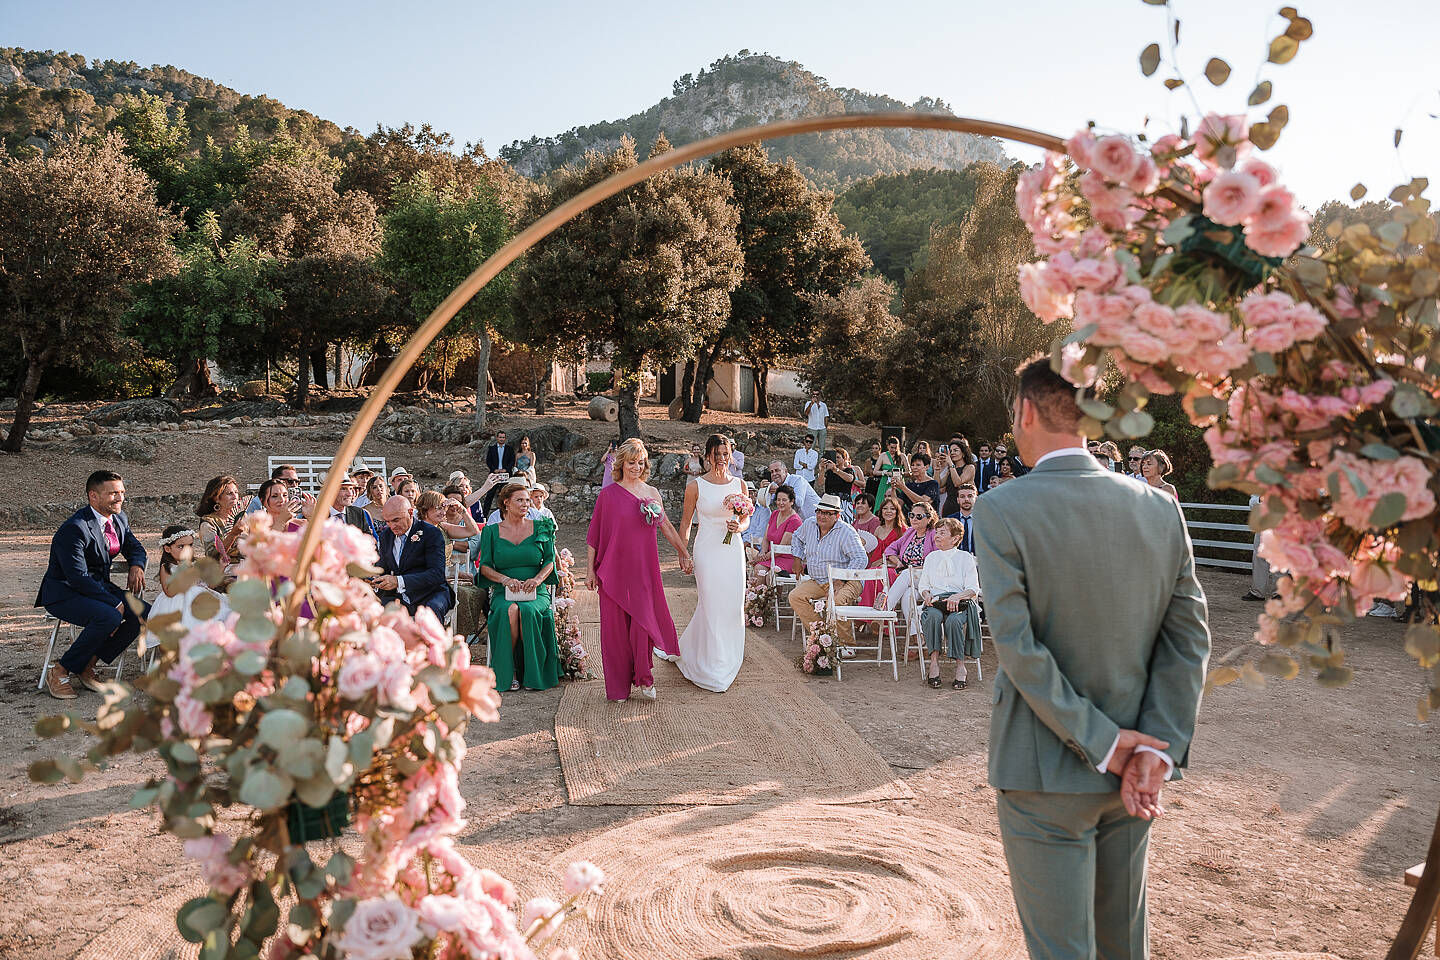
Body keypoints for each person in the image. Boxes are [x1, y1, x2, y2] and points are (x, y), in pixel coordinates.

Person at [972, 356, 1209, 960]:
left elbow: (1019, 650)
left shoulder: (1001, 510)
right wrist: (1154, 747)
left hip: (1043, 771)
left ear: (1024, 411)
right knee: (1123, 945)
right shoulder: (1160, 509)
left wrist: (1105, 742)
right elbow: (1189, 639)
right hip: (1136, 773)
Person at [586, 439, 692, 702]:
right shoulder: (608, 495)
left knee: (642, 625)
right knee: (615, 631)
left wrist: (683, 552)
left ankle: (645, 679)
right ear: (621, 463)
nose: (636, 467)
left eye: (640, 462)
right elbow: (594, 537)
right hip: (612, 571)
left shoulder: (652, 493)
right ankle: (618, 687)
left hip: (644, 571)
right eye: (631, 462)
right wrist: (589, 571)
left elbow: (667, 527)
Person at [35, 470, 149, 700]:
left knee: (143, 612)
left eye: (122, 493)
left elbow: (135, 547)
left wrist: (136, 565)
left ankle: (87, 664)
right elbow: (77, 577)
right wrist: (114, 602)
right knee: (109, 616)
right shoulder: (75, 528)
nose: (120, 498)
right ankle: (60, 670)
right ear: (93, 496)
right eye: (113, 494)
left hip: (97, 587)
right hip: (65, 592)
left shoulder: (119, 518)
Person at [675, 434, 750, 693]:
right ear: (707, 456)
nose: (721, 459)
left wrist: (738, 526)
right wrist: (683, 552)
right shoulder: (696, 486)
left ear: (731, 456)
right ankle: (713, 663)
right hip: (707, 549)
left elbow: (747, 519)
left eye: (725, 454)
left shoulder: (740, 484)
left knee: (732, 603)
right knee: (711, 602)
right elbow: (686, 523)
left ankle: (729, 656)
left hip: (732, 551)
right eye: (716, 454)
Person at [479, 483, 559, 692]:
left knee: (529, 610)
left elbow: (550, 561)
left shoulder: (542, 526)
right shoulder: (490, 531)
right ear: (506, 503)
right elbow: (485, 566)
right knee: (510, 609)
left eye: (527, 500)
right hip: (504, 590)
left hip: (535, 589)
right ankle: (511, 670)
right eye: (520, 500)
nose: (526, 504)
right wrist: (504, 580)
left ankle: (533, 674)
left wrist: (538, 580)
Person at [786, 494, 868, 647]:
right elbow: (796, 537)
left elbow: (861, 559)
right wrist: (797, 558)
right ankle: (822, 636)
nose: (821, 516)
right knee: (795, 596)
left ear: (837, 516)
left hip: (848, 581)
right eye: (819, 511)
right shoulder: (810, 524)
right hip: (819, 580)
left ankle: (846, 645)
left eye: (827, 513)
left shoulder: (846, 531)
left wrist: (841, 580)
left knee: (836, 601)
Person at [917, 517, 982, 690]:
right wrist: (927, 595)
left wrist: (957, 597)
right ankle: (934, 663)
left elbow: (973, 589)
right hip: (937, 602)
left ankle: (961, 667)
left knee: (954, 621)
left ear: (954, 538)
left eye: (942, 533)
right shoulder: (931, 557)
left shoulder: (965, 558)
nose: (936, 536)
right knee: (931, 616)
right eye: (936, 533)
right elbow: (923, 585)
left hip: (960, 602)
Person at [375, 495, 453, 622]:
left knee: (429, 614)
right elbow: (383, 568)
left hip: (431, 592)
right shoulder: (386, 536)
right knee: (376, 612)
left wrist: (399, 581)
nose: (391, 526)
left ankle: (432, 642)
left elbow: (437, 574)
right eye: (387, 521)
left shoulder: (431, 533)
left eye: (396, 520)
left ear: (411, 513)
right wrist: (373, 579)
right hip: (398, 595)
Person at [147, 525, 231, 639]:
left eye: (190, 545)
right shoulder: (168, 567)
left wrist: (221, 567)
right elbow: (169, 592)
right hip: (178, 603)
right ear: (168, 549)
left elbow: (209, 585)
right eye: (180, 546)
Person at [882, 500, 939, 622]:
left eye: (919, 516)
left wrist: (912, 570)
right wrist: (898, 562)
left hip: (929, 578)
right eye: (911, 515)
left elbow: (936, 561)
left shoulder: (934, 535)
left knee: (906, 574)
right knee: (908, 596)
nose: (914, 519)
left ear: (929, 519)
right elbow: (890, 549)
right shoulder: (910, 532)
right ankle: (917, 634)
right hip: (912, 580)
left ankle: (884, 609)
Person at [195, 475, 247, 578]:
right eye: (229, 493)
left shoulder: (243, 517)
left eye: (236, 492)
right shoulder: (208, 523)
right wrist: (232, 535)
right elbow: (213, 556)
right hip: (224, 572)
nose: (235, 497)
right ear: (216, 498)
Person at [859, 497, 907, 607]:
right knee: (870, 573)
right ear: (881, 511)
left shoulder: (903, 530)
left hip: (893, 566)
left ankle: (881, 612)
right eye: (885, 508)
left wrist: (884, 562)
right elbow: (872, 550)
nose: (888, 511)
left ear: (897, 511)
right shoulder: (878, 529)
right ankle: (868, 614)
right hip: (875, 565)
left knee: (880, 574)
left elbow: (903, 554)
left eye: (892, 509)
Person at [752, 486, 802, 578]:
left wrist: (760, 558)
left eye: (784, 500)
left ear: (791, 501)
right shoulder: (774, 514)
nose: (780, 503)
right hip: (771, 556)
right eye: (778, 500)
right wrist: (762, 552)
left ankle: (769, 592)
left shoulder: (794, 520)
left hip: (787, 558)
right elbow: (766, 538)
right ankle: (760, 592)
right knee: (759, 569)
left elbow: (781, 548)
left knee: (764, 571)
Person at [817, 447, 858, 518]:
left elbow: (850, 479)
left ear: (844, 459)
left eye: (838, 457)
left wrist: (835, 470)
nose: (836, 459)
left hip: (843, 502)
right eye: (834, 457)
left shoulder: (848, 470)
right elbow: (820, 483)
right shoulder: (829, 472)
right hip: (829, 501)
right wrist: (822, 470)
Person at [870, 435, 906, 506]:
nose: (894, 450)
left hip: (898, 483)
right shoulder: (883, 455)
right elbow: (875, 472)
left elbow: (910, 472)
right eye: (892, 447)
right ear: (888, 446)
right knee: (882, 503)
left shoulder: (902, 456)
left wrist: (900, 473)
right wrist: (886, 473)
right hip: (885, 483)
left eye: (896, 448)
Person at [943, 483, 979, 553]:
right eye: (962, 496)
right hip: (955, 560)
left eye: (970, 496)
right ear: (958, 500)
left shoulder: (984, 519)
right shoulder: (950, 520)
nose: (966, 499)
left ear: (976, 499)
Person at [804, 390, 830, 457]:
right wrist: (811, 404)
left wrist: (825, 427)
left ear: (820, 395)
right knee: (811, 447)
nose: (815, 396)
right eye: (814, 394)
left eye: (817, 394)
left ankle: (821, 465)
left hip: (822, 429)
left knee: (822, 449)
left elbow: (826, 416)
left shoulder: (823, 405)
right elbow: (806, 413)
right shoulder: (808, 403)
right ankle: (810, 463)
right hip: (812, 428)